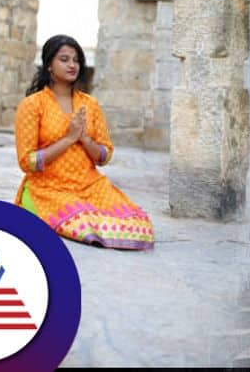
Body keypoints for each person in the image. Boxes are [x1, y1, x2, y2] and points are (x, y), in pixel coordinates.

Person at [14, 35, 153, 250]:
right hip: (49, 187)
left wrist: (85, 139)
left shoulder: (90, 104)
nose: (72, 65)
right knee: (85, 225)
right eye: (64, 59)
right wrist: (68, 139)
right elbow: (27, 161)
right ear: (49, 64)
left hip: (90, 184)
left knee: (138, 224)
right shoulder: (32, 105)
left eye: (76, 60)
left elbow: (105, 155)